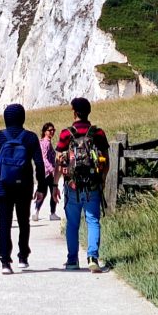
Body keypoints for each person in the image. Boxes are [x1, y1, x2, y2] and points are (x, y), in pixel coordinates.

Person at [0, 103, 47, 275]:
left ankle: (5, 261)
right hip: (24, 186)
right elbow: (39, 164)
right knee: (23, 221)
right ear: (22, 118)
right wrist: (41, 186)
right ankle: (23, 256)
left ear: (6, 118)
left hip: (3, 185)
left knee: (5, 223)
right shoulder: (30, 137)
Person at [56, 97, 110, 273]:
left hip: (72, 185)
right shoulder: (98, 133)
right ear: (89, 112)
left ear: (74, 112)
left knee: (72, 223)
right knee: (93, 220)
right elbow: (106, 160)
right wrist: (101, 179)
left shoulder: (66, 133)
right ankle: (92, 257)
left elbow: (59, 160)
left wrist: (55, 183)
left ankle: (72, 260)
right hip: (92, 185)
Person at [32, 122, 62, 222]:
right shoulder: (46, 142)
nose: (52, 132)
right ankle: (52, 213)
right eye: (50, 130)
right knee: (53, 190)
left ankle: (36, 211)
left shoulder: (42, 142)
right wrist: (52, 169)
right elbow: (44, 158)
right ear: (45, 132)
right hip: (48, 172)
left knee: (42, 191)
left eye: (53, 130)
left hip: (42, 171)